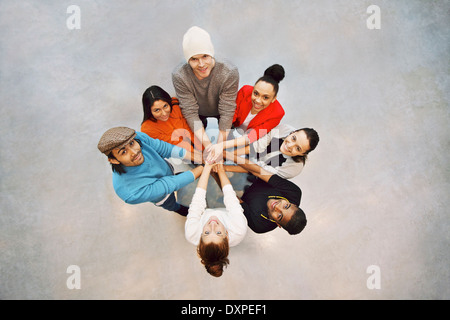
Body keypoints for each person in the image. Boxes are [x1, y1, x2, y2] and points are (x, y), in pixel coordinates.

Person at [97, 127, 203, 216]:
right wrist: (203, 168)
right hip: (162, 196)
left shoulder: (137, 138)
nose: (134, 152)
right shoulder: (129, 192)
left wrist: (198, 157)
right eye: (124, 152)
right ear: (113, 160)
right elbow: (169, 184)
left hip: (168, 173)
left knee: (177, 178)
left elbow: (165, 148)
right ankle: (179, 209)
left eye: (132, 144)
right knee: (171, 204)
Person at [172, 26, 239, 150]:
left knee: (230, 150)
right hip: (197, 117)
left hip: (222, 116)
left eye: (205, 56)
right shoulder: (180, 75)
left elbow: (227, 110)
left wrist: (218, 148)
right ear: (188, 60)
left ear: (211, 54)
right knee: (197, 151)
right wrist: (209, 147)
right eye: (194, 59)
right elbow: (190, 112)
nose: (201, 64)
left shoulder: (229, 71)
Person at [206, 64, 286, 163]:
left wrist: (221, 147)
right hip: (230, 127)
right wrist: (219, 144)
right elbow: (230, 116)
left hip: (246, 140)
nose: (258, 100)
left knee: (235, 159)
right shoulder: (245, 91)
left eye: (265, 97)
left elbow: (253, 136)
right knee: (211, 133)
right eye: (256, 93)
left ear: (274, 98)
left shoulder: (277, 113)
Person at [185, 162, 247, 277]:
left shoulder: (191, 233)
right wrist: (220, 169)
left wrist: (207, 167)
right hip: (226, 211)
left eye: (207, 232)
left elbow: (198, 200)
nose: (212, 225)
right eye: (218, 233)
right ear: (226, 235)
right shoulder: (239, 230)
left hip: (204, 212)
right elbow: (230, 198)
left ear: (200, 236)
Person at [224, 151, 306, 235]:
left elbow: (231, 198)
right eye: (286, 206)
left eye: (279, 216)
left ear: (278, 224)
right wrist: (224, 158)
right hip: (259, 177)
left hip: (242, 197)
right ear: (293, 204)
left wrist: (218, 171)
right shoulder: (294, 193)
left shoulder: (259, 226)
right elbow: (259, 172)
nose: (277, 207)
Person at [223, 124, 320, 179]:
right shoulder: (283, 129)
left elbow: (257, 170)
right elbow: (255, 147)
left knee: (239, 180)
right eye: (293, 138)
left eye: (298, 148)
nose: (290, 146)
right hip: (253, 152)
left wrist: (224, 167)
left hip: (256, 173)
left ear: (302, 154)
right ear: (292, 132)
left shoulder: (293, 169)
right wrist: (224, 156)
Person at [141, 85, 203, 152]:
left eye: (165, 106)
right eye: (157, 110)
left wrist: (205, 148)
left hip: (198, 141)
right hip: (178, 155)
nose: (164, 113)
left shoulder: (175, 105)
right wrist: (198, 156)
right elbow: (174, 144)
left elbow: (190, 128)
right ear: (149, 111)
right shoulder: (147, 129)